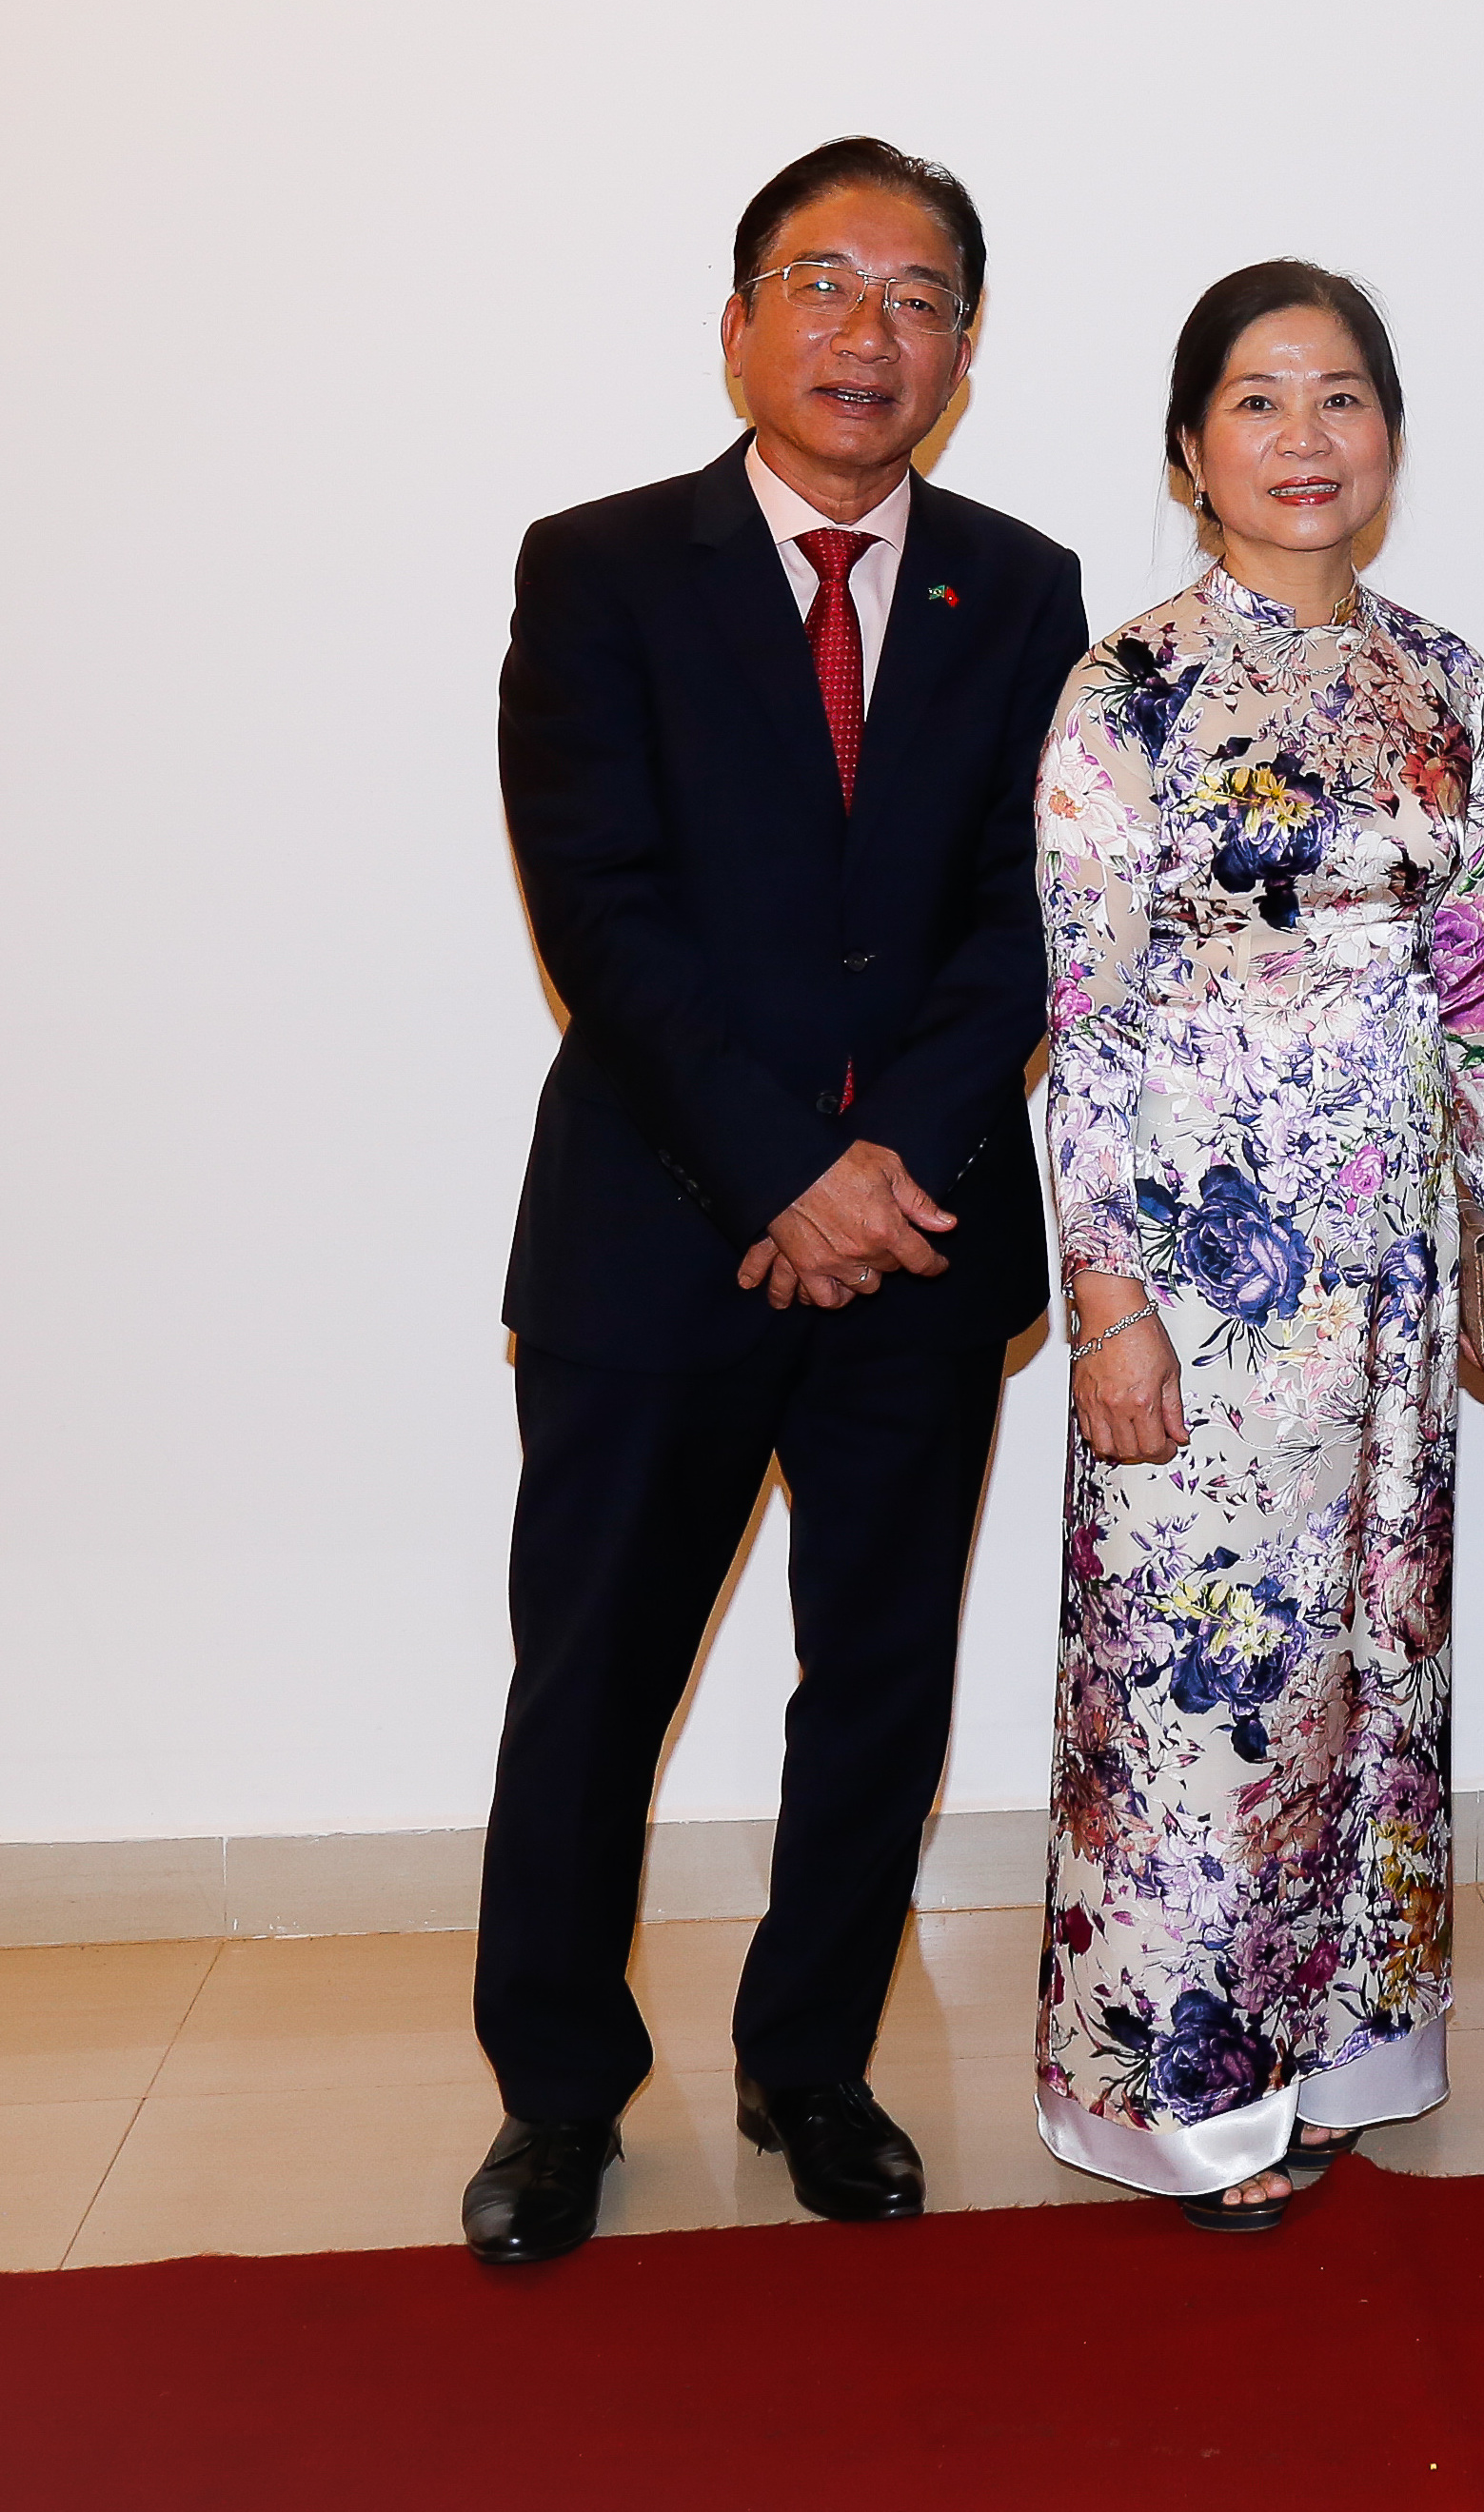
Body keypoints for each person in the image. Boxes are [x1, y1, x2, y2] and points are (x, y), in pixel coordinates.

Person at [467, 139, 1089, 2265]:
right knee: (591, 1685)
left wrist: (882, 1166)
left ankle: (811, 2061)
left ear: (963, 353)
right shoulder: (599, 567)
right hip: (658, 1233)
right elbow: (599, 910)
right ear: (738, 323)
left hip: (920, 1241)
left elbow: (1025, 914)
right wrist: (782, 1171)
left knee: (878, 1682)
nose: (866, 333)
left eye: (917, 299)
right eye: (822, 284)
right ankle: (558, 2094)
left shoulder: (1019, 587)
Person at [1028, 262, 1484, 2233]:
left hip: (1391, 1255)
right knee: (1200, 1675)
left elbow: (1473, 985)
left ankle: (1348, 2050)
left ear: (1388, 434)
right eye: (1255, 399)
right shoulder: (1126, 687)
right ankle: (1188, 2097)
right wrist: (1106, 1299)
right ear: (1187, 449)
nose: (1304, 438)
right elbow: (1081, 1017)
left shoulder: (1449, 677)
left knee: (1373, 1654)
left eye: (1340, 397)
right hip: (1203, 1265)